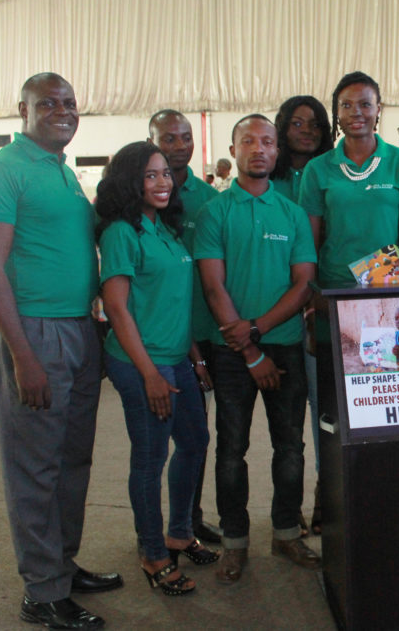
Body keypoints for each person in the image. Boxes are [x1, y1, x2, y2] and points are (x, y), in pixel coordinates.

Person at [0, 72, 121, 630]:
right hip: (31, 331)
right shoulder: (0, 174)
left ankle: (62, 563)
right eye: (48, 103)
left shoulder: (61, 175)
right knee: (34, 463)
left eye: (70, 103)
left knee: (72, 458)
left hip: (78, 329)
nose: (63, 111)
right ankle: (41, 589)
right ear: (24, 110)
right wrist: (22, 356)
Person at [196, 115, 320, 582]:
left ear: (276, 151)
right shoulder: (215, 212)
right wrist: (248, 349)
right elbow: (213, 288)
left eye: (268, 141)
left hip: (284, 348)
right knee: (231, 450)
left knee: (290, 448)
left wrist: (260, 330)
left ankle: (287, 532)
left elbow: (304, 282)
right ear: (234, 148)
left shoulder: (291, 213)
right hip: (231, 352)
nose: (259, 149)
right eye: (248, 141)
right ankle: (235, 542)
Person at [298, 71, 399, 509]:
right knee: (333, 411)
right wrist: (314, 300)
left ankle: (387, 498)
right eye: (348, 105)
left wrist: (393, 296)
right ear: (336, 113)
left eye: (366, 104)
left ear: (379, 110)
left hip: (388, 307)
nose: (357, 113)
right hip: (334, 306)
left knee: (385, 405)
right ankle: (332, 499)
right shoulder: (318, 170)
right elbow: (308, 246)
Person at [95, 141, 216, 597]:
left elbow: (175, 302)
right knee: (150, 459)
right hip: (139, 362)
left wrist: (194, 356)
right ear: (130, 180)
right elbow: (118, 308)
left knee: (195, 442)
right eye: (150, 175)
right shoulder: (122, 232)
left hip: (175, 357)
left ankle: (180, 532)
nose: (162, 182)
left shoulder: (164, 229)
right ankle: (152, 552)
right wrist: (150, 374)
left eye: (165, 173)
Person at [148, 109, 223, 545]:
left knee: (197, 437)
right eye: (168, 138)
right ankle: (154, 534)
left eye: (185, 137)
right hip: (157, 341)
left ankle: (189, 520)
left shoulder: (208, 199)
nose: (179, 146)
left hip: (202, 336)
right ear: (152, 139)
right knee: (154, 445)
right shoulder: (137, 199)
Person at [271, 94, 334, 535]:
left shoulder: (333, 173)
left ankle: (327, 498)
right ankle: (285, 517)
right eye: (297, 123)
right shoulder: (266, 179)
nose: (307, 131)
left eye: (315, 124)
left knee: (324, 415)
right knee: (286, 427)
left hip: (319, 309)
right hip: (273, 318)